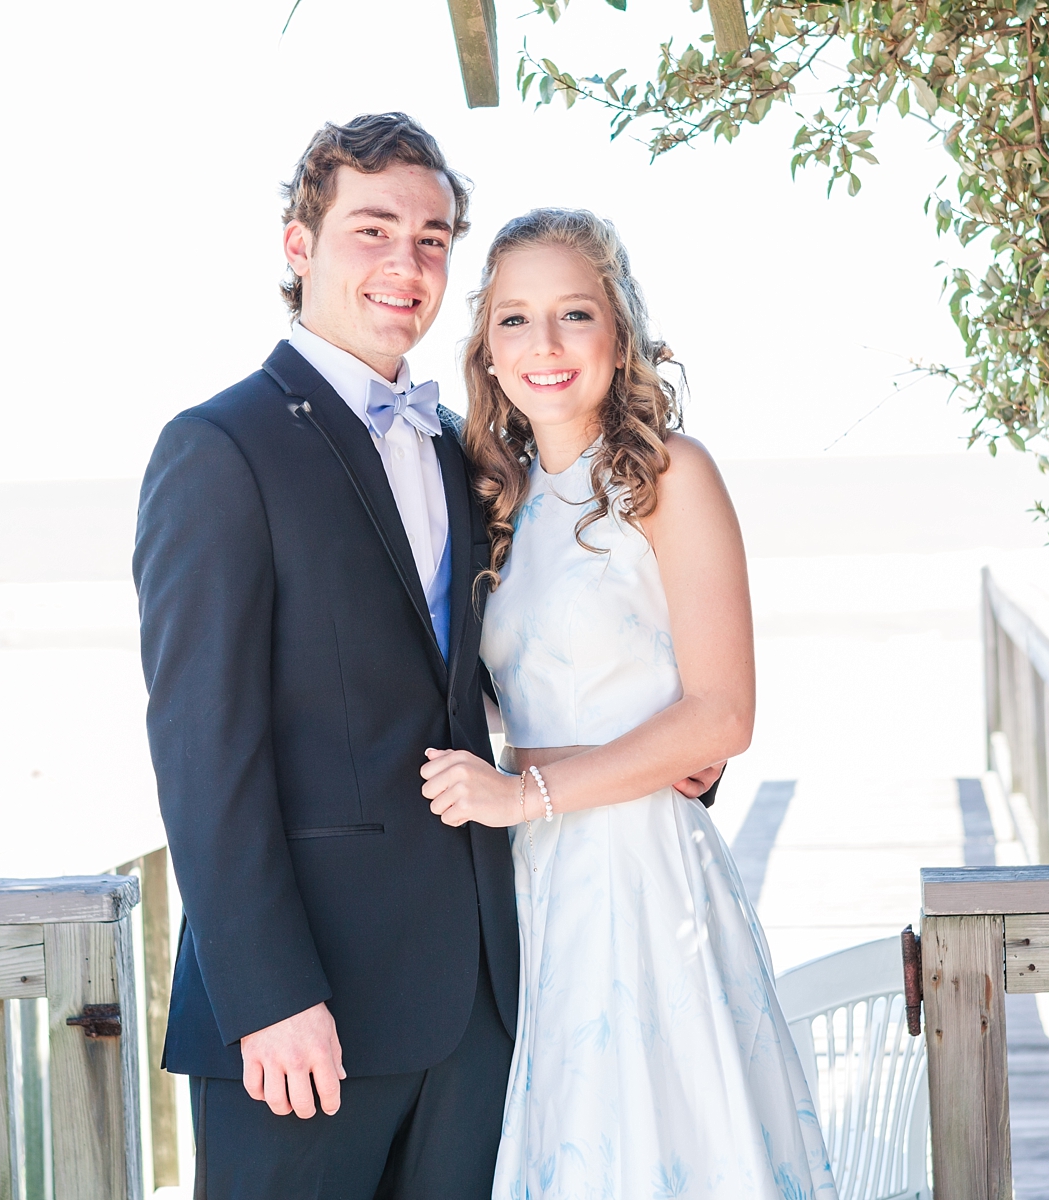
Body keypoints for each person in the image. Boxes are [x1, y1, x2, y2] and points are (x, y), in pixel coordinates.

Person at [133, 113, 519, 1199]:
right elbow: (202, 746)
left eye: (434, 238)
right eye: (374, 230)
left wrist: (671, 748)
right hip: (307, 1018)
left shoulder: (457, 451)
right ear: (298, 248)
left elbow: (507, 664)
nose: (408, 263)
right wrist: (265, 993)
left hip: (477, 1003)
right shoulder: (218, 450)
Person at [419, 209, 839, 1199]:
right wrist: (527, 782)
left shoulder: (668, 478)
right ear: (487, 347)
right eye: (515, 320)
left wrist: (530, 794)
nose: (546, 345)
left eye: (573, 313)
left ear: (619, 333)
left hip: (644, 873)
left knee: (670, 1144)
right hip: (535, 886)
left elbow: (722, 716)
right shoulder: (493, 503)